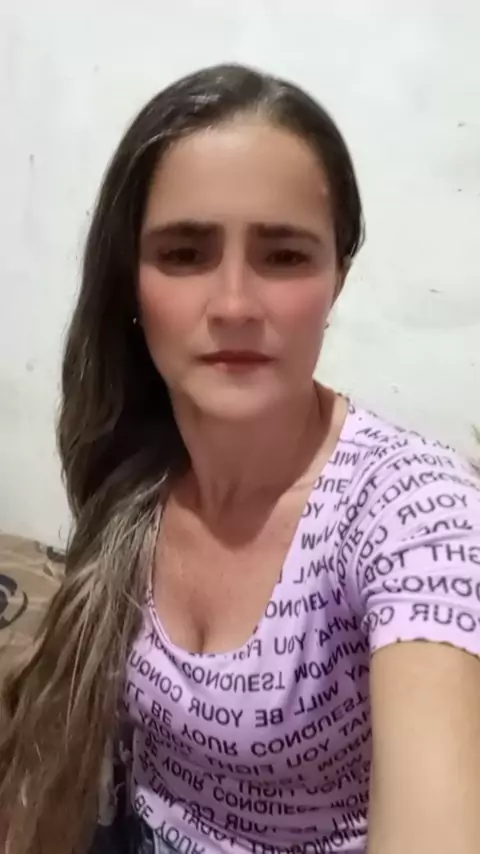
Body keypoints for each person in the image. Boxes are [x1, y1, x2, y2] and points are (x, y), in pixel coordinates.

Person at [1, 63, 480, 854]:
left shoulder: (410, 508)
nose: (232, 304)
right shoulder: (134, 462)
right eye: (184, 253)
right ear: (130, 284)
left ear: (337, 277)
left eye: (284, 256)